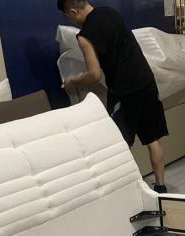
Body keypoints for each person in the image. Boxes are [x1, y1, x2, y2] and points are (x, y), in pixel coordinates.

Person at [58, 0, 169, 193]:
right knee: (152, 139)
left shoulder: (84, 36)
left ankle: (127, 190)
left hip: (124, 91)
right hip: (146, 80)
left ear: (73, 11)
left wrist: (73, 81)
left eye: (68, 17)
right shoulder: (111, 13)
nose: (70, 21)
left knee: (121, 144)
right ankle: (160, 187)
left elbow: (95, 74)